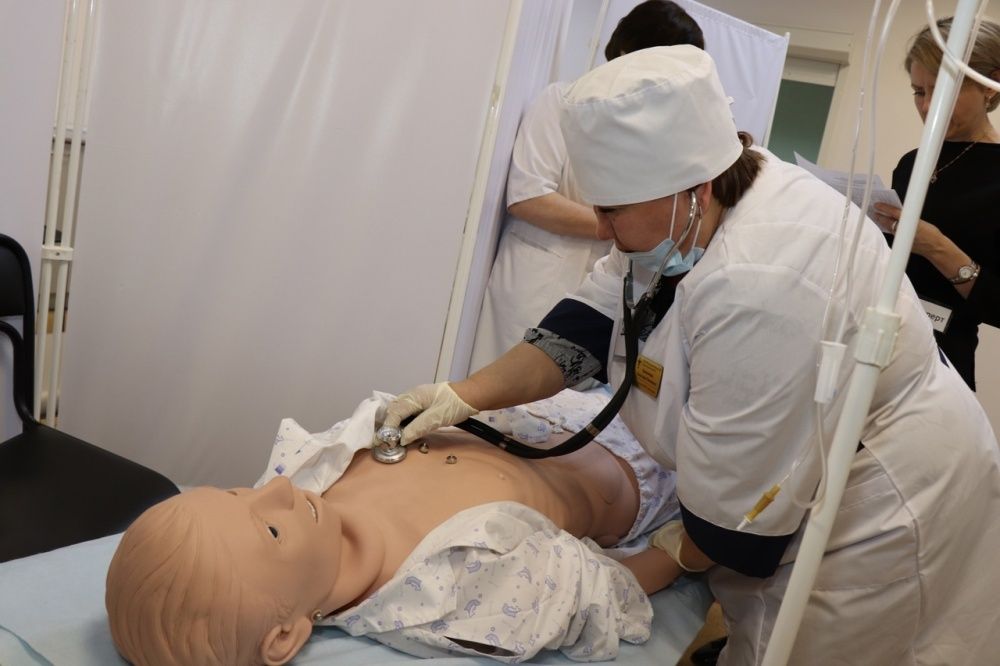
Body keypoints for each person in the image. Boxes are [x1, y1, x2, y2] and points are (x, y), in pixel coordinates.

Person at [383, 46, 1000, 665]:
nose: (601, 230)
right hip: (794, 459)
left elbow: (735, 523)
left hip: (881, 502)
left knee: (818, 649)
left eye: (612, 211)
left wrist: (655, 561)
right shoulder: (700, 200)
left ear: (694, 191)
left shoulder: (764, 281)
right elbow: (588, 324)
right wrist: (463, 395)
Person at [105, 391, 688, 666]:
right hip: (647, 468)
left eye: (238, 494)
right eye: (271, 532)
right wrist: (689, 552)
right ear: (284, 636)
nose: (277, 492)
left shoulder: (304, 482)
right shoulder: (442, 593)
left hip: (563, 403)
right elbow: (598, 591)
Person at [468, 0, 704, 373]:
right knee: (507, 387)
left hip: (603, 287)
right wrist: (623, 228)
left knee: (572, 398)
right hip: (538, 283)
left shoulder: (655, 134)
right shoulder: (561, 102)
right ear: (627, 53)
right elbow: (528, 197)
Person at [873, 17, 1000, 391]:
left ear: (990, 85)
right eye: (918, 92)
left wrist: (937, 247)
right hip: (877, 346)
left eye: (943, 90)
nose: (928, 106)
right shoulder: (911, 164)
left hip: (941, 366)